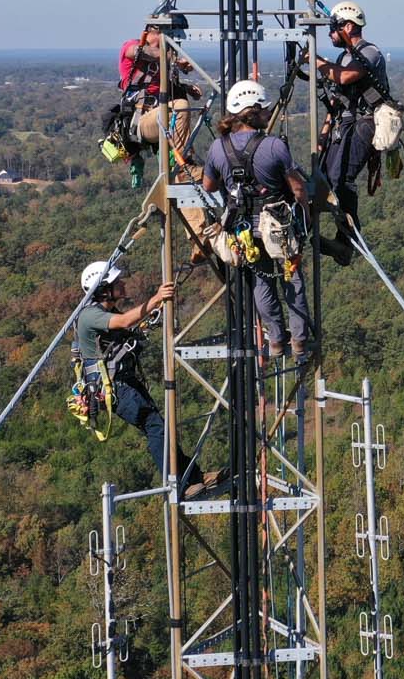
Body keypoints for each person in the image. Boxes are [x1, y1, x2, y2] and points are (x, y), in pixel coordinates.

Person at [75, 260, 217, 494]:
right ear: (103, 289)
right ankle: (179, 485)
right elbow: (124, 322)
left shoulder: (105, 311)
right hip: (115, 387)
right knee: (156, 428)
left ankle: (192, 476)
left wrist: (151, 312)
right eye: (116, 281)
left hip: (123, 383)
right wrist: (156, 299)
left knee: (160, 427)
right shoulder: (90, 315)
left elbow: (126, 325)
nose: (122, 283)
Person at [200, 79, 315, 367]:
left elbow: (209, 186)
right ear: (253, 111)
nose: (268, 114)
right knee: (293, 279)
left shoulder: (218, 148)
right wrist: (304, 215)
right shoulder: (273, 146)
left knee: (261, 283)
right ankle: (299, 341)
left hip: (242, 230)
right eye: (264, 109)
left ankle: (276, 339)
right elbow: (297, 188)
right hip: (276, 226)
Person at [311, 0, 393, 265]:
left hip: (366, 122)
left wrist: (313, 60)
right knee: (324, 175)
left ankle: (346, 241)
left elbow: (345, 77)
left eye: (333, 29)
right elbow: (338, 94)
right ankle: (333, 233)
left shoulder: (369, 53)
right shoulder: (344, 57)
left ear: (348, 26)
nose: (330, 34)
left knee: (340, 177)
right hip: (346, 123)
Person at [118, 23, 197, 169]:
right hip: (139, 121)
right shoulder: (132, 45)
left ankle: (186, 159)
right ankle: (182, 167)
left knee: (180, 101)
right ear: (158, 32)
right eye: (172, 36)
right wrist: (173, 59)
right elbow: (139, 52)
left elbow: (163, 87)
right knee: (180, 107)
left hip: (157, 116)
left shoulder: (162, 60)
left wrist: (186, 88)